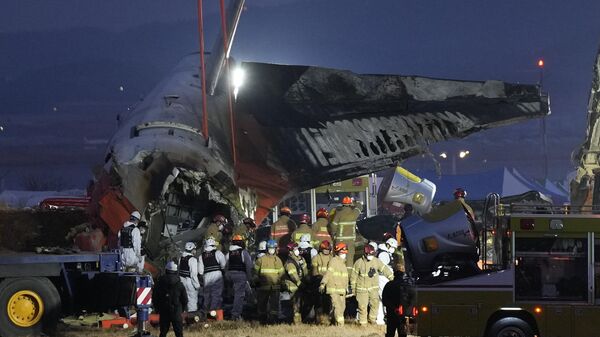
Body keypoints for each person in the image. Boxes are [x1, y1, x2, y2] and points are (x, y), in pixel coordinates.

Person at [351, 244, 394, 325]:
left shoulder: (376, 261)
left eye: (372, 254)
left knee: (375, 305)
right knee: (362, 307)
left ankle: (372, 321)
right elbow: (353, 277)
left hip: (373, 289)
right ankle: (363, 324)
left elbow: (384, 269)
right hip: (362, 290)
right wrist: (353, 289)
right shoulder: (359, 263)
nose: (371, 256)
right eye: (369, 254)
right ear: (365, 253)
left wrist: (392, 278)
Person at [253, 239, 285, 323]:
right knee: (262, 304)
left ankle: (273, 320)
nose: (271, 250)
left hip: (275, 287)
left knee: (274, 306)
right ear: (267, 248)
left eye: (273, 248)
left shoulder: (277, 260)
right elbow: (255, 272)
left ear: (275, 249)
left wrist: (282, 284)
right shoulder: (260, 260)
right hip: (263, 287)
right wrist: (256, 281)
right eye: (270, 248)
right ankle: (262, 320)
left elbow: (282, 274)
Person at [153, 261, 188, 337]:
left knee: (163, 333)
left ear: (166, 270)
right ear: (176, 271)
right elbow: (185, 299)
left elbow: (155, 298)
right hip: (176, 311)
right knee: (179, 333)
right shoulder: (180, 284)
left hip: (164, 311)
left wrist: (157, 309)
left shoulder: (159, 283)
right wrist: (182, 309)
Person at [319, 242, 350, 326]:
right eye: (342, 253)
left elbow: (345, 277)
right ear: (338, 252)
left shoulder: (343, 263)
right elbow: (328, 273)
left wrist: (347, 287)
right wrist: (323, 283)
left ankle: (333, 322)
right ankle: (340, 326)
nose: (344, 255)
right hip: (334, 289)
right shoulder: (334, 261)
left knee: (342, 307)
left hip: (341, 290)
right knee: (338, 308)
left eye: (345, 253)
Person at [330, 197, 362, 271]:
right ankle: (348, 276)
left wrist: (334, 234)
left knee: (340, 258)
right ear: (350, 204)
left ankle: (339, 275)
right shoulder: (354, 213)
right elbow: (360, 206)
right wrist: (356, 202)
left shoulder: (339, 214)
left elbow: (333, 226)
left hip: (340, 240)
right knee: (350, 259)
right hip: (350, 241)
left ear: (343, 204)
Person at [226, 234, 253, 320]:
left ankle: (252, 305)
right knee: (239, 295)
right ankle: (236, 314)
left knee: (248, 291)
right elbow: (249, 266)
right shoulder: (243, 252)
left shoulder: (228, 253)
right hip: (240, 275)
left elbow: (225, 266)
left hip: (230, 275)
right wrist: (250, 278)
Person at [198, 237, 226, 320]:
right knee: (216, 295)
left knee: (207, 296)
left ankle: (205, 313)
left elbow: (200, 271)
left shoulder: (201, 256)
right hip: (217, 275)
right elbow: (223, 265)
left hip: (206, 276)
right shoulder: (218, 253)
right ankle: (214, 313)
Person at [382, 267, 415, 337]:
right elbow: (412, 299)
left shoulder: (389, 285)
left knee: (390, 333)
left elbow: (384, 300)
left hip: (391, 314)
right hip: (403, 315)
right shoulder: (406, 286)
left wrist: (394, 308)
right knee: (402, 334)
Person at [281, 242, 308, 324]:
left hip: (301, 285)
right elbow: (293, 276)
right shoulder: (289, 262)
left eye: (297, 249)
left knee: (302, 303)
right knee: (296, 304)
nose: (297, 251)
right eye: (295, 249)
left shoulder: (301, 259)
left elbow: (305, 271)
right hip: (293, 286)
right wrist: (300, 284)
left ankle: (301, 320)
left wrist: (307, 280)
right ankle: (297, 322)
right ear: (291, 251)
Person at [376, 238, 398, 324]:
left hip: (385, 278)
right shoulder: (383, 254)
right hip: (383, 278)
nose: (393, 249)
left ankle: (380, 320)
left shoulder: (385, 253)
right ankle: (385, 318)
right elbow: (383, 269)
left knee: (381, 300)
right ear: (388, 245)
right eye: (392, 247)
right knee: (385, 298)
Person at [312, 240, 333, 324]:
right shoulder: (316, 258)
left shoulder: (332, 258)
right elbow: (314, 272)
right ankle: (318, 319)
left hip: (329, 283)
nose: (326, 251)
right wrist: (319, 280)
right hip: (318, 281)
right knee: (318, 302)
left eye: (328, 249)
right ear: (321, 249)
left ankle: (327, 319)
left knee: (328, 302)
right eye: (325, 249)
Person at [179, 242, 200, 313]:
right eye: (194, 249)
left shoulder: (181, 258)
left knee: (183, 299)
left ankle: (183, 314)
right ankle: (192, 316)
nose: (195, 251)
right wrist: (197, 286)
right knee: (192, 301)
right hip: (190, 282)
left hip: (182, 281)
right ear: (192, 250)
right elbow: (193, 275)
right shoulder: (193, 260)